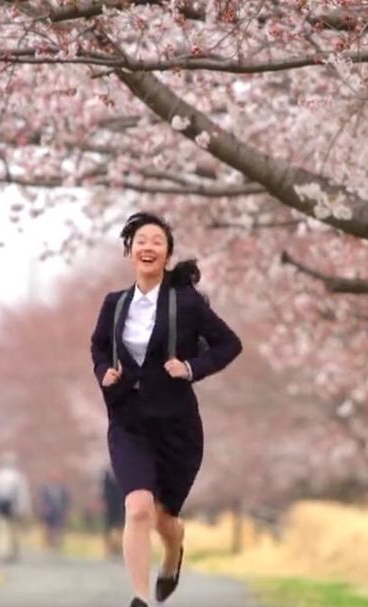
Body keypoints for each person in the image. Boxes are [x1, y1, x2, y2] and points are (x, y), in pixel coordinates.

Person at [90, 212, 243, 607]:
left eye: (157, 241)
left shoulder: (186, 303)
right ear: (129, 251)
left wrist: (191, 368)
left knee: (164, 520)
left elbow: (229, 344)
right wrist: (105, 371)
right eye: (141, 240)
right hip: (129, 421)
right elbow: (99, 346)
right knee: (137, 508)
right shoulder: (115, 303)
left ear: (168, 254)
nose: (148, 247)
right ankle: (140, 598)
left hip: (177, 426)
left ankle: (173, 554)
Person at [0, 451, 32, 563]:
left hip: (1, 508)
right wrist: (23, 509)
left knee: (3, 530)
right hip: (14, 508)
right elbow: (23, 494)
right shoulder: (18, 477)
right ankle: (13, 551)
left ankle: (4, 552)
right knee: (13, 530)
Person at [38, 470, 70, 552]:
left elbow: (67, 499)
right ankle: (50, 544)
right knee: (49, 528)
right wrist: (44, 508)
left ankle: (58, 545)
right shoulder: (46, 488)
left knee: (59, 528)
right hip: (49, 512)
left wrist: (66, 510)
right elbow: (42, 499)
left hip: (60, 511)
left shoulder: (63, 487)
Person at [103, 467, 126, 558]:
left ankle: (120, 550)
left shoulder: (124, 473)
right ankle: (109, 550)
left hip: (122, 506)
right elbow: (105, 492)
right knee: (110, 528)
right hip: (110, 508)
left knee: (121, 528)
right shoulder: (106, 475)